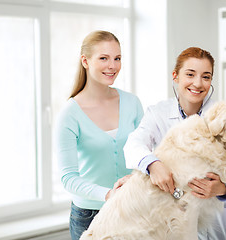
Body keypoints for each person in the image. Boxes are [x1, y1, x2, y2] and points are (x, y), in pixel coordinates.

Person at [124, 47, 226, 240]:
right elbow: (133, 144)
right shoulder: (157, 113)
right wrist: (152, 164)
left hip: (219, 217)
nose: (198, 83)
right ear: (175, 76)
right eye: (190, 74)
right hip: (176, 215)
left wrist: (223, 189)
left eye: (206, 77)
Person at [54, 30, 144, 240]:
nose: (112, 66)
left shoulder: (132, 103)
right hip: (89, 216)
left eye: (117, 58)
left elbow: (147, 153)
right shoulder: (69, 114)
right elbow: (68, 178)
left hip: (132, 209)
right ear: (85, 61)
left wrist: (136, 179)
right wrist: (108, 194)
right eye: (103, 58)